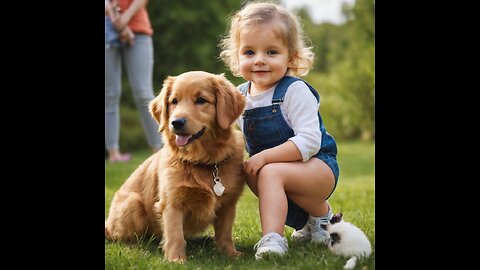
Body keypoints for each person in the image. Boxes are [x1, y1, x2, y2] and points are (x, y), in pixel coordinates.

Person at [219, 2, 339, 260]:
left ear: (291, 57)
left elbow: (309, 141)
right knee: (251, 172)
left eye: (272, 52)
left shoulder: (294, 91)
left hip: (319, 167)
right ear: (236, 56)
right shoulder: (240, 97)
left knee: (267, 170)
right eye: (249, 52)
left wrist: (264, 157)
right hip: (279, 172)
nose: (260, 59)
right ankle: (314, 222)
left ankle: (273, 239)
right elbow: (225, 132)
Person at [105, 0, 162, 163]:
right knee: (109, 94)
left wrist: (125, 19)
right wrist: (111, 11)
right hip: (106, 27)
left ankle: (159, 147)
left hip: (138, 29)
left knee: (143, 92)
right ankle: (113, 153)